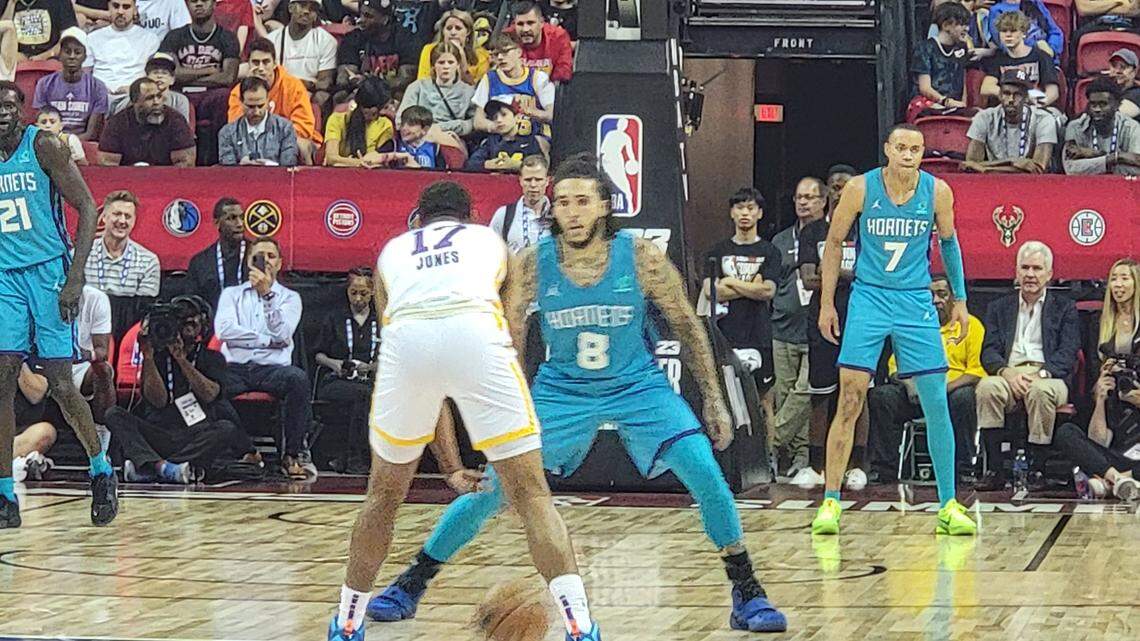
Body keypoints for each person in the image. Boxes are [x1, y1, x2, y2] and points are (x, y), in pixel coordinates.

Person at [362, 159, 787, 636]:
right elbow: (511, 333)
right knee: (496, 489)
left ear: (605, 206)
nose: (572, 211)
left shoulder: (641, 256)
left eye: (583, 201)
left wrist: (712, 398)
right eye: (562, 202)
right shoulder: (532, 261)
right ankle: (411, 582)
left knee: (706, 473)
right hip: (561, 390)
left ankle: (746, 589)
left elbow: (688, 326)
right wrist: (508, 404)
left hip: (638, 385)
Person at [810, 124, 977, 536]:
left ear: (923, 153)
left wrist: (960, 298)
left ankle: (948, 504)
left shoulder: (937, 191)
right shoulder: (861, 188)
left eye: (915, 148)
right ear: (887, 149)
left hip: (915, 299)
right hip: (869, 297)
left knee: (937, 400)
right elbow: (834, 243)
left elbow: (950, 244)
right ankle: (831, 500)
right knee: (850, 397)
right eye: (900, 147)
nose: (907, 153)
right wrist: (827, 302)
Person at [0, 80, 117, 529]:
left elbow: (88, 207)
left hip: (49, 273)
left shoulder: (44, 145)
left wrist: (76, 276)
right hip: (6, 278)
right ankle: (6, 493)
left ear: (22, 110)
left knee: (62, 386)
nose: (3, 113)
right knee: (3, 380)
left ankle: (100, 469)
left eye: (10, 106)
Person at [106, 295, 261, 483]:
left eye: (192, 321)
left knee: (226, 429)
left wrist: (182, 360)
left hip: (194, 434)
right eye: (181, 321)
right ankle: (163, 467)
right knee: (114, 414)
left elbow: (211, 394)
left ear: (202, 325)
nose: (187, 326)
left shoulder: (212, 358)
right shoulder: (158, 356)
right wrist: (148, 355)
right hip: (159, 430)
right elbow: (158, 400)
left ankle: (151, 467)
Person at [974, 240, 1079, 491]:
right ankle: (995, 469)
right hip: (1010, 373)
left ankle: (1038, 470)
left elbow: (1069, 351)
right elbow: (988, 351)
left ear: (1049, 274)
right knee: (987, 388)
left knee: (1039, 392)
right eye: (1025, 268)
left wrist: (1040, 374)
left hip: (1049, 374)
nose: (1031, 274)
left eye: (1037, 268)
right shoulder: (999, 307)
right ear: (1017, 272)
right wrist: (1007, 372)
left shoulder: (1064, 308)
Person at [868, 275, 985, 481]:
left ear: (953, 298)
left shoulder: (971, 325)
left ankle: (963, 469)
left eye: (942, 294)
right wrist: (911, 386)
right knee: (881, 395)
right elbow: (894, 366)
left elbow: (975, 372)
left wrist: (939, 391)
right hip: (916, 393)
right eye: (930, 294)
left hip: (951, 393)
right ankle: (884, 469)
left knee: (965, 397)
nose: (935, 300)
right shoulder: (911, 325)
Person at [214, 236, 313, 480]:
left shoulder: (290, 298)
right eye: (259, 256)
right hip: (235, 366)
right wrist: (267, 340)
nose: (265, 261)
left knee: (298, 379)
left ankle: (291, 454)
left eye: (271, 256)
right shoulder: (231, 294)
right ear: (249, 261)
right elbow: (224, 332)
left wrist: (268, 295)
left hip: (273, 370)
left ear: (279, 263)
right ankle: (246, 449)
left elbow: (283, 333)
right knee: (208, 386)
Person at [792, 190, 870, 490]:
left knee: (861, 393)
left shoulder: (865, 229)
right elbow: (808, 279)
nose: (841, 192)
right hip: (822, 318)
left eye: (846, 186)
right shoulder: (814, 231)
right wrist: (848, 274)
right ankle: (816, 466)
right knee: (821, 392)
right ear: (828, 195)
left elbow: (870, 273)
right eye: (835, 187)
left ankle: (858, 466)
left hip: (861, 317)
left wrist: (832, 272)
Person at [1054, 259, 1140, 501]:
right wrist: (1100, 398)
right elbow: (1097, 439)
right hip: (1113, 429)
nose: (1118, 285)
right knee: (1066, 433)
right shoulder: (1097, 324)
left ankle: (1108, 480)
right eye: (1114, 278)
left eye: (1125, 278)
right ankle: (1119, 479)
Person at [701, 187, 781, 434]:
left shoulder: (770, 251)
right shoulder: (716, 251)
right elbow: (710, 290)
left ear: (759, 214)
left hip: (759, 335)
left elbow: (768, 291)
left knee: (763, 401)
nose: (745, 213)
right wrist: (749, 286)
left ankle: (769, 460)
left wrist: (730, 282)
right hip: (724, 334)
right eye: (739, 207)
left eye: (750, 208)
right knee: (723, 398)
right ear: (732, 213)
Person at [769, 177, 825, 475]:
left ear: (823, 201)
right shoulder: (779, 240)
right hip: (782, 327)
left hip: (815, 328)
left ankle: (769, 441)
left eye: (810, 197)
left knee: (805, 392)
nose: (803, 202)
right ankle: (798, 459)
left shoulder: (829, 235)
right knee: (785, 394)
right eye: (799, 197)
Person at [159, 0, 241, 165]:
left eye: (204, 1)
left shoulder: (227, 37)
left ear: (213, 4)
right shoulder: (174, 36)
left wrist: (187, 75)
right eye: (193, 1)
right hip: (180, 93)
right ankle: (175, 161)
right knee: (168, 99)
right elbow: (170, 74)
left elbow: (227, 78)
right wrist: (209, 70)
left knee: (224, 97)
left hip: (211, 95)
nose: (198, 5)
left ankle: (219, 159)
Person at [313, 267, 378, 475]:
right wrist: (336, 364)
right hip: (337, 380)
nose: (358, 299)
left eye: (363, 293)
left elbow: (394, 357)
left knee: (366, 395)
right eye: (353, 293)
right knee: (362, 396)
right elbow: (318, 354)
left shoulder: (382, 321)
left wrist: (372, 367)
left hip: (370, 379)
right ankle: (354, 457)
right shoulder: (335, 318)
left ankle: (349, 457)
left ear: (373, 292)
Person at [84, 190, 163, 339]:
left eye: (128, 216)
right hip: (87, 333)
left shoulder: (149, 261)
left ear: (134, 221)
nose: (122, 221)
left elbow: (145, 313)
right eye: (116, 214)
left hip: (128, 336)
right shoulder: (80, 255)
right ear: (104, 217)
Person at [228, 38, 321, 165]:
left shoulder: (293, 86)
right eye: (255, 62)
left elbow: (303, 127)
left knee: (300, 144)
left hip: (287, 140)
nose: (261, 68)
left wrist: (271, 139)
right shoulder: (238, 92)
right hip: (251, 142)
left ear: (275, 63)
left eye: (266, 62)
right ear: (248, 64)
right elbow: (235, 127)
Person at [962, 68, 1055, 174]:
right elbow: (970, 165)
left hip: (1030, 183)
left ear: (1026, 98)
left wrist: (986, 168)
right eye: (1006, 93)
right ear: (1000, 95)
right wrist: (1012, 161)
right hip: (993, 182)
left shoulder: (1044, 119)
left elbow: (1039, 168)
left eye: (1017, 94)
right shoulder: (984, 117)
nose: (1011, 99)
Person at [98, 77, 197, 167]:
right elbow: (108, 166)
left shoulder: (176, 121)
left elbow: (185, 164)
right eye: (149, 98)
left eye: (159, 96)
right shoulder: (117, 123)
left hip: (167, 180)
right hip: (127, 180)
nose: (157, 102)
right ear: (134, 101)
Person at [472, 32, 554, 140]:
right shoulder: (489, 79)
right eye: (496, 54)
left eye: (505, 52)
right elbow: (478, 121)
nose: (500, 57)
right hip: (499, 139)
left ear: (519, 52)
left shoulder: (537, 77)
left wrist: (532, 113)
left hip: (533, 137)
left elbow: (551, 115)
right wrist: (496, 126)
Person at [981, 12, 1062, 120]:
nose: (1008, 35)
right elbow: (986, 88)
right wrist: (1013, 96)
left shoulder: (1041, 56)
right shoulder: (998, 58)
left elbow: (1053, 92)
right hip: (1007, 109)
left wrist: (1036, 102)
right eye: (1004, 31)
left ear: (1024, 33)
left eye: (1013, 31)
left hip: (1035, 108)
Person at [32, 27, 108, 141]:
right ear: (60, 55)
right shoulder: (44, 84)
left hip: (82, 144)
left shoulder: (98, 87)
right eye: (67, 52)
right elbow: (41, 126)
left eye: (77, 52)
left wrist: (69, 143)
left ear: (85, 56)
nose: (72, 56)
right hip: (50, 144)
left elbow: (92, 134)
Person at [87, 0, 163, 113]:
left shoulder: (150, 39)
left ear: (135, 10)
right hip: (98, 95)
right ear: (109, 7)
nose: (120, 11)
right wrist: (99, 89)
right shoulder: (92, 38)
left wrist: (133, 89)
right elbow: (85, 74)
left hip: (133, 96)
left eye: (126, 7)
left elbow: (155, 75)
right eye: (116, 6)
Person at [267, 0, 337, 116]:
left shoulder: (326, 41)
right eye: (302, 5)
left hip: (308, 92)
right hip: (277, 91)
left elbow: (325, 82)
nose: (306, 11)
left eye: (312, 8)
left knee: (322, 97)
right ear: (290, 8)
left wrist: (304, 86)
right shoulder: (271, 40)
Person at [907, 2, 972, 122]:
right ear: (946, 25)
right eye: (961, 24)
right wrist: (945, 101)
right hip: (929, 103)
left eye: (967, 24)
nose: (966, 29)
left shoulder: (962, 48)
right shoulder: (925, 48)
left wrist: (963, 104)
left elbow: (962, 79)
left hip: (954, 105)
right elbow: (924, 87)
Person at [335, 0, 412, 100]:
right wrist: (354, 81)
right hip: (359, 93)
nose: (360, 20)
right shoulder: (353, 37)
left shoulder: (403, 38)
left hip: (391, 94)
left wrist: (372, 84)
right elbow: (343, 78)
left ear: (385, 20)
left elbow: (405, 79)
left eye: (368, 16)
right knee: (340, 96)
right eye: (361, 14)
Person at [1063, 77, 1140, 176]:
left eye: (1103, 104)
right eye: (1093, 104)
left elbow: (1137, 166)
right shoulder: (1075, 127)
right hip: (1086, 187)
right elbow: (1071, 169)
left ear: (1117, 105)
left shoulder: (1132, 127)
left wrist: (1095, 156)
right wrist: (1116, 158)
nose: (1097, 109)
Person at [397, 42, 476, 137]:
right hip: (420, 139)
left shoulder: (468, 92)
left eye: (450, 62)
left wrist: (439, 128)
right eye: (441, 62)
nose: (446, 67)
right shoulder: (417, 87)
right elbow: (401, 121)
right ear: (433, 65)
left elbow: (474, 123)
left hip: (452, 140)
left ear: (458, 65)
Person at [218, 76, 300, 166]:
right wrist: (240, 166)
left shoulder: (285, 128)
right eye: (250, 106)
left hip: (276, 179)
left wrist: (270, 165)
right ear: (241, 102)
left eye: (260, 106)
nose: (256, 112)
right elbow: (227, 172)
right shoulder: (227, 133)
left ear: (268, 100)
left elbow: (288, 167)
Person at [323, 76, 402, 168]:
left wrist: (345, 162)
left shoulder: (385, 125)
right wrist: (359, 163)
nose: (369, 115)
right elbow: (331, 158)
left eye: (374, 113)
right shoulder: (336, 120)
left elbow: (379, 160)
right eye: (366, 111)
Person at [187, 197, 247, 308]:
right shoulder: (200, 262)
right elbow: (193, 305)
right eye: (232, 218)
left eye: (242, 217)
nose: (240, 224)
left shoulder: (259, 255)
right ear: (217, 223)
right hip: (214, 322)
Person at [488, 154, 551, 253]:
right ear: (520, 180)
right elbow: (491, 250)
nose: (533, 185)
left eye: (538, 180)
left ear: (547, 181)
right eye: (528, 180)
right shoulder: (504, 214)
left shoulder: (558, 214)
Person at [464, 99, 545, 172]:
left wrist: (518, 165)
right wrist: (489, 164)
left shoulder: (530, 140)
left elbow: (541, 166)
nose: (499, 120)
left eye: (504, 114)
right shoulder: (492, 141)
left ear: (517, 117)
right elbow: (470, 164)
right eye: (494, 117)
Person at [415, 8, 489, 84]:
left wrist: (462, 59)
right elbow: (422, 83)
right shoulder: (429, 50)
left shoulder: (481, 55)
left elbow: (477, 89)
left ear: (468, 31)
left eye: (458, 28)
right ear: (443, 31)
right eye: (449, 28)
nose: (453, 32)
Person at [508, 1, 573, 82]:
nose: (525, 29)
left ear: (542, 22)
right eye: (520, 24)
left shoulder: (559, 37)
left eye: (530, 23)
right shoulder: (507, 37)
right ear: (514, 24)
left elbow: (563, 74)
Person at [985, 0, 1063, 66]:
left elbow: (1055, 31)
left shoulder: (1034, 2)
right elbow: (1004, 43)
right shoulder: (997, 10)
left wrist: (1052, 49)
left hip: (1048, 58)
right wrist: (1037, 46)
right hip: (1022, 62)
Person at [12, 0, 77, 61]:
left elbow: (69, 37)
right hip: (15, 61)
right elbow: (3, 30)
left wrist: (47, 55)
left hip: (53, 59)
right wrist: (11, 53)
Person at [1106, 48, 1140, 121]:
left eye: (1123, 67)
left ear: (1134, 71)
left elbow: (1113, 119)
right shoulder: (1107, 92)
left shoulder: (1137, 94)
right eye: (1114, 66)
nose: (1118, 71)